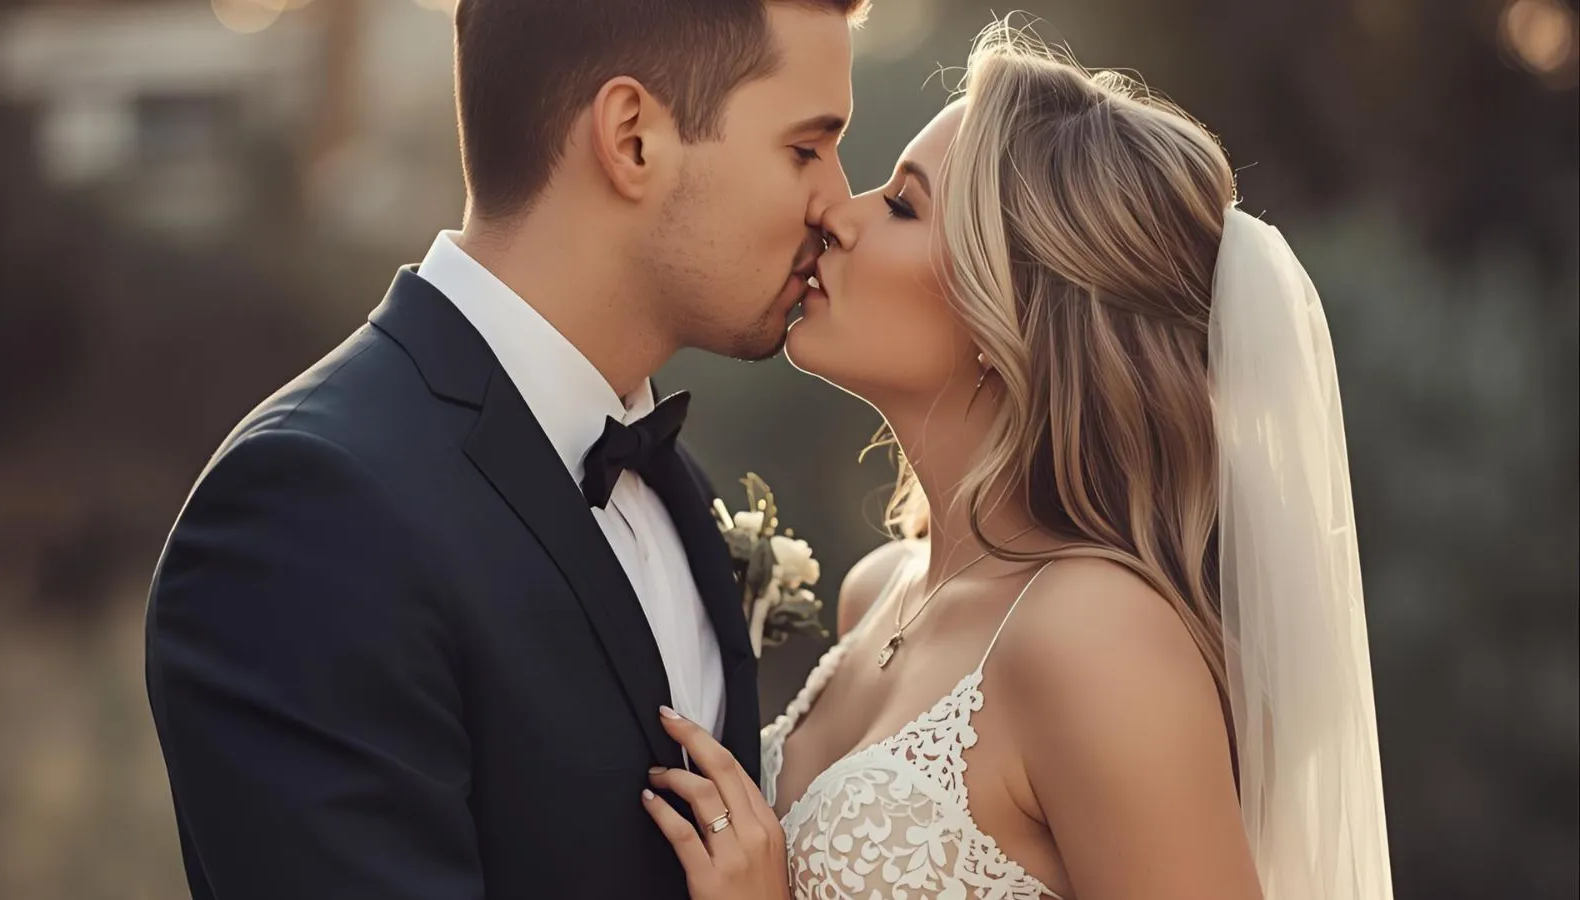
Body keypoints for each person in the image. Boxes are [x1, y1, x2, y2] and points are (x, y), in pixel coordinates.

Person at [640, 22, 1394, 900]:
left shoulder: (1098, 638)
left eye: (903, 206)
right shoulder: (878, 591)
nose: (836, 215)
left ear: (1014, 313)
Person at [143, 2, 866, 898]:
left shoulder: (674, 484)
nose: (838, 204)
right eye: (805, 148)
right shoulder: (310, 511)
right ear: (633, 137)